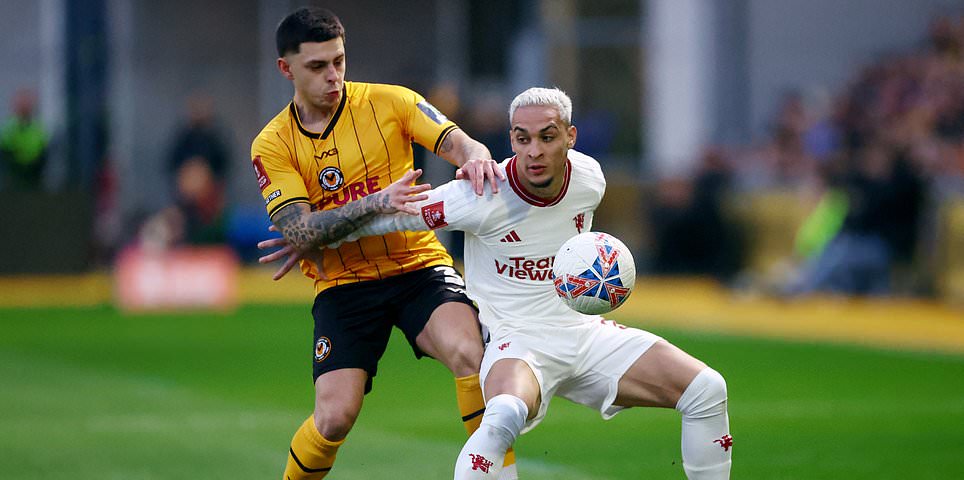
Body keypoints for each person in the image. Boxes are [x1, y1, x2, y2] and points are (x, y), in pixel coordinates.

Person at [262, 87, 733, 478]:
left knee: (707, 388)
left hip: (585, 335)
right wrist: (308, 235)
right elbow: (390, 219)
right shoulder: (478, 195)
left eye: (547, 138)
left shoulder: (590, 179)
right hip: (516, 344)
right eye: (522, 138)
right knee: (503, 414)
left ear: (570, 137)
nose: (534, 151)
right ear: (511, 139)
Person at [249, 7, 515, 479]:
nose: (333, 76)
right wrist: (376, 203)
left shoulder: (391, 103)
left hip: (418, 268)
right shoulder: (272, 144)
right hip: (344, 283)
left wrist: (476, 159)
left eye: (339, 61)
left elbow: (462, 143)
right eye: (317, 67)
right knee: (334, 419)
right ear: (285, 69)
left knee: (469, 353)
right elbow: (297, 232)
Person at [0, 88, 49, 190]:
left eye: (26, 104)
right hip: (15, 173)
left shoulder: (38, 128)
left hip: (34, 173)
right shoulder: (9, 128)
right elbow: (5, 152)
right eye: (21, 104)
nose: (24, 108)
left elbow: (42, 151)